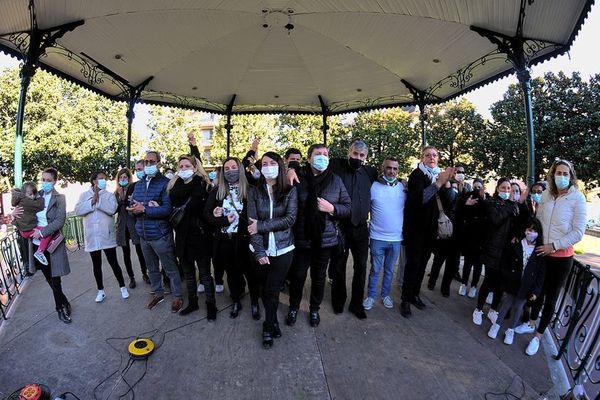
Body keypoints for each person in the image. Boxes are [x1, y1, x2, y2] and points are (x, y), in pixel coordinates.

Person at [520, 159, 586, 356]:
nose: (562, 177)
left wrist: (554, 246)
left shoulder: (577, 198)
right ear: (552, 174)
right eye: (559, 173)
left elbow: (578, 232)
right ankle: (531, 323)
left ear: (571, 176)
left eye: (566, 174)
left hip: (561, 258)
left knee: (550, 298)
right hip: (542, 253)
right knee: (536, 291)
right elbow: (539, 221)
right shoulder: (547, 194)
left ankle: (538, 336)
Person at [286, 144, 351, 327]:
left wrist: (332, 209)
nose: (322, 157)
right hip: (301, 238)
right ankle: (293, 306)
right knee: (297, 276)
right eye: (318, 154)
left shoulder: (335, 180)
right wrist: (291, 169)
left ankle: (314, 309)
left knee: (319, 277)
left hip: (325, 240)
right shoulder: (298, 177)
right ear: (308, 159)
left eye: (325, 154)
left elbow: (348, 207)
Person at [247, 151, 298, 348]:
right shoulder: (254, 191)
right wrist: (259, 252)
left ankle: (267, 327)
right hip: (259, 249)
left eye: (272, 163)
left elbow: (289, 219)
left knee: (273, 289)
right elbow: (252, 224)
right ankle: (274, 321)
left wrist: (262, 226)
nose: (268, 166)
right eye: (265, 163)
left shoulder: (290, 191)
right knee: (263, 289)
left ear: (280, 166)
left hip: (284, 249)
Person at [400, 146, 454, 318]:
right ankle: (405, 300)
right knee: (413, 265)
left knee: (423, 265)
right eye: (428, 155)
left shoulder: (440, 175)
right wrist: (438, 183)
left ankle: (415, 294)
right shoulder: (417, 175)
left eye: (435, 155)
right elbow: (420, 199)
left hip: (431, 231)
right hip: (415, 231)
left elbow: (450, 201)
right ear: (422, 158)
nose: (432, 158)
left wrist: (447, 184)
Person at [12, 168, 72, 323]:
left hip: (52, 243)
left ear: (55, 181)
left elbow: (59, 221)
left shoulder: (60, 198)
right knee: (49, 279)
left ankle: (59, 309)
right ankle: (64, 301)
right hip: (36, 245)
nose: (45, 183)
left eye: (48, 180)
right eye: (43, 179)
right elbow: (23, 214)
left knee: (56, 279)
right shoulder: (34, 195)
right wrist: (13, 215)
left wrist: (42, 232)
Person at [128, 151, 184, 312]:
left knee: (170, 268)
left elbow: (167, 209)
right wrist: (133, 209)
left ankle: (177, 296)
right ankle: (158, 293)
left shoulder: (166, 183)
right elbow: (134, 208)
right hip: (144, 235)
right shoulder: (138, 185)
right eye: (146, 162)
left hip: (160, 235)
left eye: (152, 161)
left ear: (159, 163)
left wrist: (144, 209)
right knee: (151, 268)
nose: (148, 165)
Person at [328, 139, 377, 319]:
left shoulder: (370, 172)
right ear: (349, 152)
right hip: (341, 226)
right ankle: (338, 301)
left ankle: (356, 305)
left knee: (361, 267)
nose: (358, 158)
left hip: (362, 228)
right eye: (355, 154)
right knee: (339, 266)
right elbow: (316, 167)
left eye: (361, 155)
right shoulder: (336, 165)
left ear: (366, 157)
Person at [205, 157, 259, 319]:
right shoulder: (217, 191)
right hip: (225, 240)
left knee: (251, 273)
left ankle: (255, 302)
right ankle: (236, 299)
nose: (230, 171)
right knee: (232, 273)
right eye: (226, 169)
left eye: (234, 167)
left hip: (246, 239)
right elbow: (206, 214)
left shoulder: (251, 189)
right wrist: (220, 219)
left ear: (240, 169)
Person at [168, 154, 217, 320]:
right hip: (182, 237)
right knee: (189, 274)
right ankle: (193, 302)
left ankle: (211, 305)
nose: (183, 169)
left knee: (204, 274)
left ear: (195, 168)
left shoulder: (202, 185)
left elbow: (203, 210)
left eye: (187, 166)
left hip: (199, 236)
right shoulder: (174, 186)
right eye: (181, 166)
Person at [472, 178, 523, 326]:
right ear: (497, 189)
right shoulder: (492, 203)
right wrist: (510, 206)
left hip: (506, 253)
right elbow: (496, 220)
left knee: (500, 284)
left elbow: (520, 225)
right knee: (488, 281)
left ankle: (493, 309)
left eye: (510, 189)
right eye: (504, 188)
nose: (507, 191)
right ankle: (478, 309)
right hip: (492, 250)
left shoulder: (515, 207)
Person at [487, 218, 545, 345]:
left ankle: (510, 330)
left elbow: (541, 274)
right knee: (506, 303)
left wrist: (536, 291)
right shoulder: (516, 245)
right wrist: (505, 279)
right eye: (529, 230)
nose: (531, 233)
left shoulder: (540, 251)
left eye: (534, 230)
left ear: (539, 233)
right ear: (524, 230)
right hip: (512, 282)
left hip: (527, 286)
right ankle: (496, 325)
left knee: (518, 307)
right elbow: (505, 263)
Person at [75, 171, 129, 302]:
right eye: (100, 179)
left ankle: (122, 287)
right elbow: (78, 210)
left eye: (105, 179)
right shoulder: (84, 195)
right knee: (96, 265)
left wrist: (98, 200)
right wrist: (91, 202)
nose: (103, 181)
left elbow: (112, 209)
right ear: (94, 181)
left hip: (106, 235)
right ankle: (101, 290)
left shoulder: (109, 195)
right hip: (92, 236)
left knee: (114, 262)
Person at [363, 157, 406, 310]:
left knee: (389, 270)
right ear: (383, 168)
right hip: (377, 237)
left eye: (395, 169)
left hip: (396, 238)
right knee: (375, 270)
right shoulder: (373, 186)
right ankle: (370, 296)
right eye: (389, 168)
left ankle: (385, 295)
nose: (392, 171)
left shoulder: (402, 187)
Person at [115, 168, 149, 287]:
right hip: (122, 225)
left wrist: (125, 197)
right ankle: (131, 277)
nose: (123, 179)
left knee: (140, 251)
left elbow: (132, 205)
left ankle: (144, 273)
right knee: (126, 253)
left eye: (125, 177)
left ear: (129, 178)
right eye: (121, 177)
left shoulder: (134, 189)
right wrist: (120, 197)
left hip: (133, 224)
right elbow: (115, 209)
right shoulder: (116, 193)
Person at [456, 178, 488, 298]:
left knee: (478, 265)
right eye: (475, 187)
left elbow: (489, 214)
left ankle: (474, 286)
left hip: (482, 238)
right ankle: (464, 284)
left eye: (479, 187)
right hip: (469, 237)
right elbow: (461, 213)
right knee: (468, 263)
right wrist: (467, 205)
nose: (477, 190)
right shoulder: (468, 197)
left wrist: (483, 199)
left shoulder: (487, 199)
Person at [427, 179, 459, 297]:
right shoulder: (442, 195)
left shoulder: (464, 194)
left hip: (456, 237)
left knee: (451, 265)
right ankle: (432, 282)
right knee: (438, 261)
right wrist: (448, 187)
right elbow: (450, 198)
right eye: (452, 188)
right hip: (444, 234)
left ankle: (445, 288)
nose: (454, 191)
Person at [10, 182, 47, 265]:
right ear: (23, 194)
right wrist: (39, 197)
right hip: (27, 230)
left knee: (44, 234)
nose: (33, 197)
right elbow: (40, 206)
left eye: (34, 194)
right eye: (30, 194)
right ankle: (40, 252)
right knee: (46, 232)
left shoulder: (20, 200)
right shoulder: (27, 201)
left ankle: (43, 245)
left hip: (23, 230)